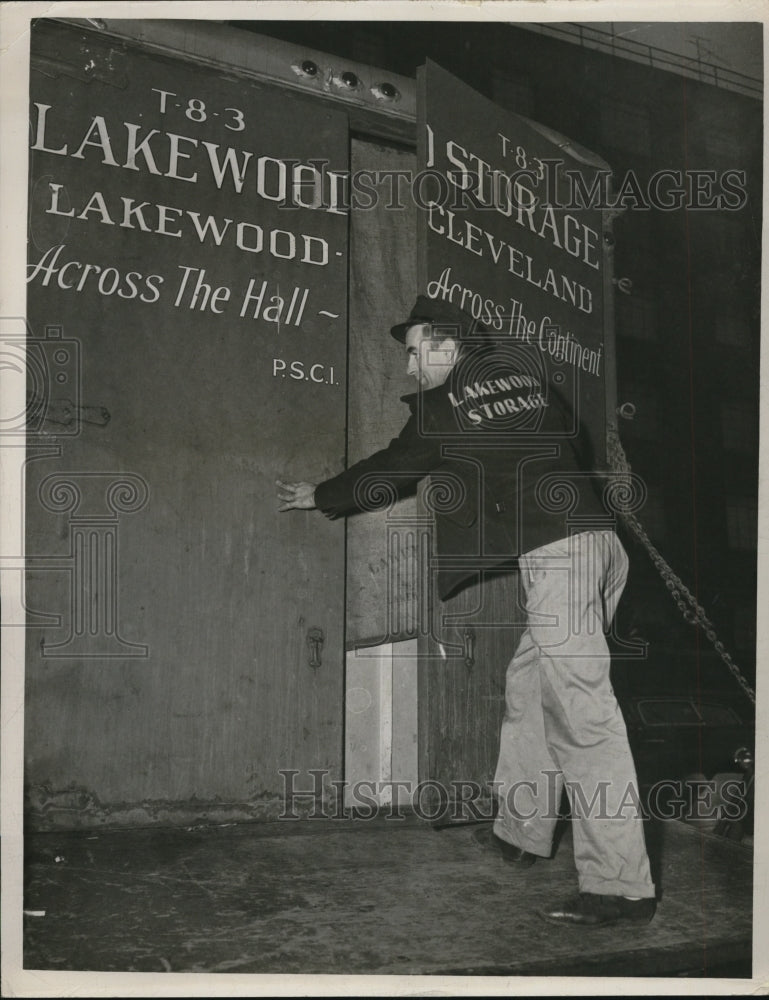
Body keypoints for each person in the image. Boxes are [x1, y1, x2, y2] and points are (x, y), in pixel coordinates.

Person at [277, 294, 656, 927]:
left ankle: (620, 888)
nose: (408, 369)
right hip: (599, 546)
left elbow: (392, 469)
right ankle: (522, 832)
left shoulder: (443, 407)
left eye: (414, 352)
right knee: (530, 689)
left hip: (558, 559)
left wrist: (320, 494)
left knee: (584, 717)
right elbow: (560, 444)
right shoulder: (532, 385)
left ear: (448, 346)